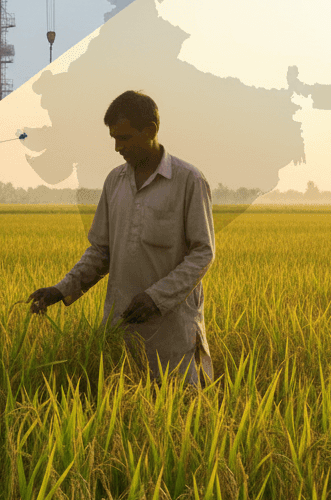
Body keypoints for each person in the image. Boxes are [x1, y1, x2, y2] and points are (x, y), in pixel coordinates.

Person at [27, 90, 217, 388]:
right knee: (122, 407)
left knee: (178, 410)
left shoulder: (188, 181)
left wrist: (156, 298)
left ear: (151, 130)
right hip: (121, 325)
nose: (117, 147)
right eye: (114, 138)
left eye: (125, 138)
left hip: (171, 329)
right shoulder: (114, 182)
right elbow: (101, 251)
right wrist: (61, 290)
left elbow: (202, 253)